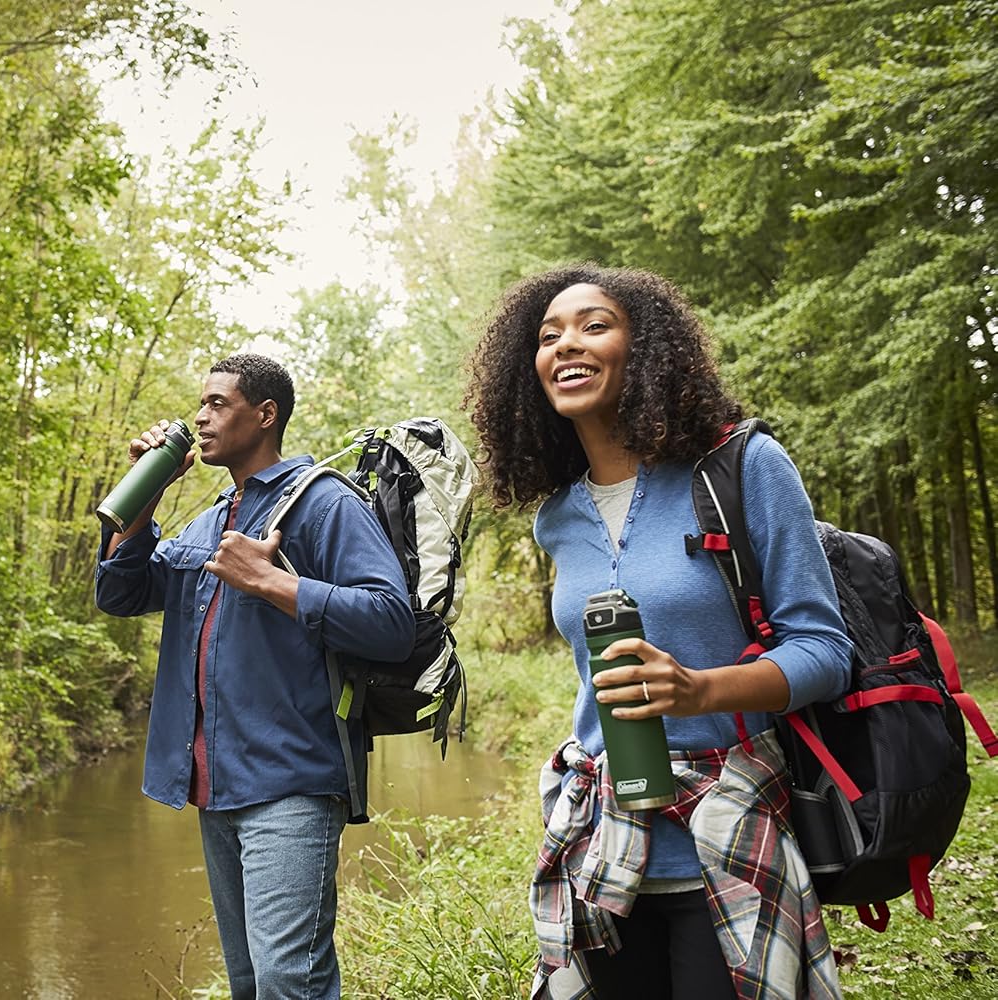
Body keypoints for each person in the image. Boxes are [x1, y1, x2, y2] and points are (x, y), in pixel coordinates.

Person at [463, 265, 854, 999]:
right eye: (549, 336)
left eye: (594, 325)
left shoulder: (742, 468)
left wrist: (699, 689)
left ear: (644, 350)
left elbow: (825, 651)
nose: (566, 344)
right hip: (602, 842)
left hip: (727, 835)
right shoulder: (558, 516)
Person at [95, 353, 415, 999]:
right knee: (250, 982)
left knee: (286, 981)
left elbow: (391, 621)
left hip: (291, 783)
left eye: (218, 403)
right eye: (200, 404)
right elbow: (121, 594)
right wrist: (147, 487)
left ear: (264, 414)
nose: (201, 416)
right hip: (217, 788)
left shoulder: (322, 503)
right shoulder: (214, 517)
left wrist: (271, 581)